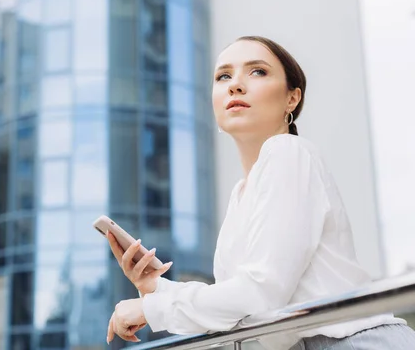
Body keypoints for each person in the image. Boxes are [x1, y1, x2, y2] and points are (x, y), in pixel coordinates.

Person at [105, 36, 415, 349]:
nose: (235, 85)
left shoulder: (288, 153)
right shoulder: (241, 194)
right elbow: (240, 305)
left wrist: (153, 308)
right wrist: (157, 288)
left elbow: (260, 292)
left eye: (257, 72)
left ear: (292, 99)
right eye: (223, 76)